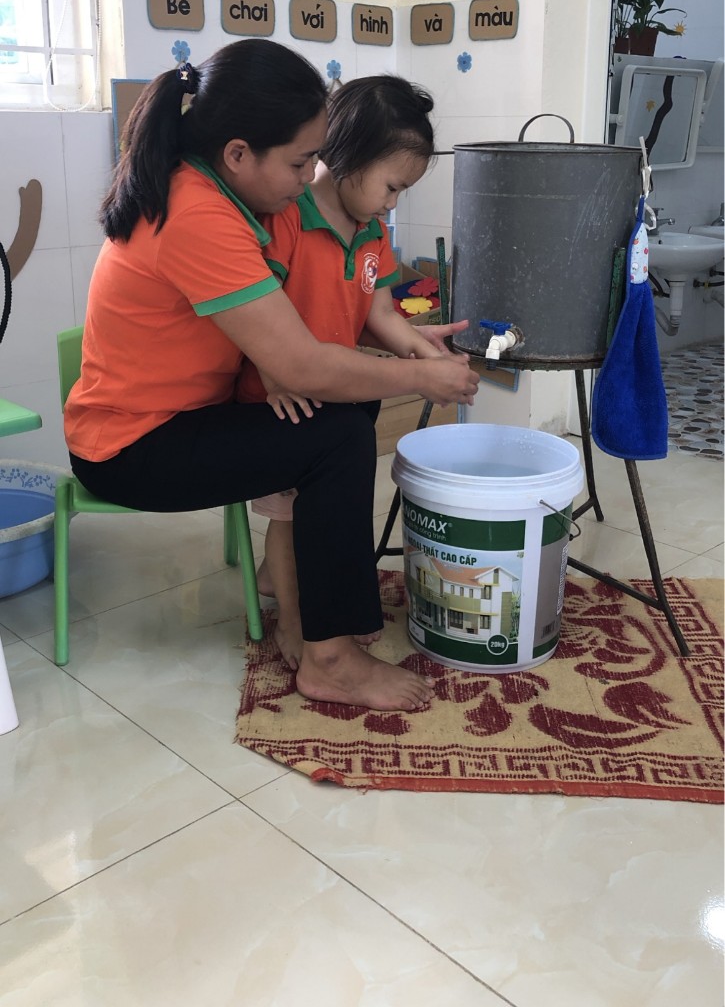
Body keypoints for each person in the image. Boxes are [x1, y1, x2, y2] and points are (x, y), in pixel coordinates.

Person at [64, 39, 479, 713]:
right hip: (132, 447)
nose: (309, 176)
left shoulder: (213, 193)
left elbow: (327, 321)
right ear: (237, 154)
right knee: (336, 436)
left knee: (341, 420)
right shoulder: (198, 213)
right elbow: (300, 363)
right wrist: (421, 380)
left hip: (177, 420)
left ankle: (309, 601)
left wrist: (401, 349)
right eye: (299, 162)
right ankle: (330, 659)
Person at [236, 74, 464, 672]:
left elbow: (380, 314)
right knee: (288, 519)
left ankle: (302, 591)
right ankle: (294, 622)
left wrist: (427, 356)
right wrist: (274, 374)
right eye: (392, 186)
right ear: (349, 157)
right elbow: (248, 312)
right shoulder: (287, 218)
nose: (393, 203)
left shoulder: (371, 232)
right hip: (283, 402)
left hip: (340, 394)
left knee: (328, 507)